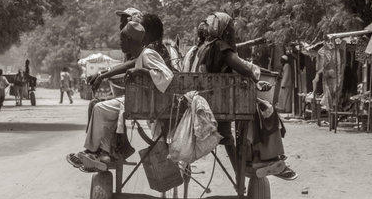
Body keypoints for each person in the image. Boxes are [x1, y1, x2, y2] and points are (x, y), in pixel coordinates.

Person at [188, 12, 297, 180]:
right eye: (231, 28)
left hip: (209, 102)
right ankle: (266, 159)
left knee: (233, 131)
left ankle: (246, 168)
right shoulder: (220, 46)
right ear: (224, 30)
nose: (233, 33)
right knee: (265, 110)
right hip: (224, 103)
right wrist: (255, 79)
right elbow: (243, 68)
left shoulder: (204, 48)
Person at [67, 21, 174, 171]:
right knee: (97, 105)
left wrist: (140, 72)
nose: (120, 43)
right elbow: (125, 67)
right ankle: (103, 151)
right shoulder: (141, 55)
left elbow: (166, 76)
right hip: (136, 100)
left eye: (122, 39)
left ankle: (93, 151)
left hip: (144, 102)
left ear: (130, 40)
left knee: (100, 108)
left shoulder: (148, 54)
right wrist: (101, 75)